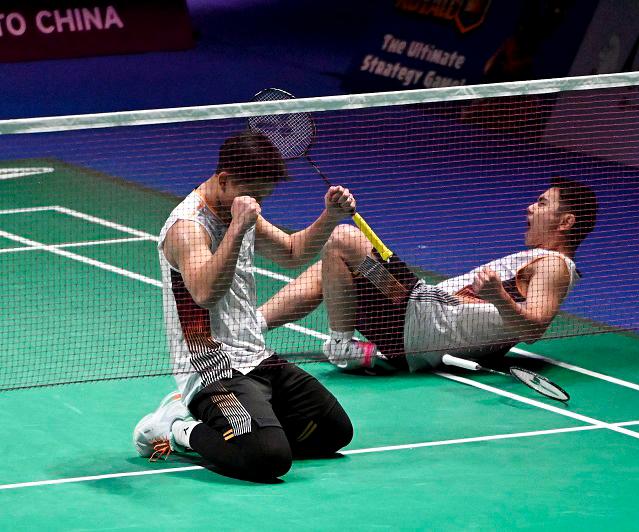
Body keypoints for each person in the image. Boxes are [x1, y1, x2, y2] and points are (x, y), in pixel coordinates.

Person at [133, 131, 357, 482]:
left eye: (263, 196)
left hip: (257, 358)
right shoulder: (187, 229)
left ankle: (252, 427)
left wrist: (329, 216)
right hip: (212, 369)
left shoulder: (238, 206)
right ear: (223, 180)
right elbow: (205, 293)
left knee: (332, 431)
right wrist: (238, 228)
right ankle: (178, 428)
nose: (257, 204)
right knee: (267, 458)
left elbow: (292, 252)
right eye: (252, 193)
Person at [267, 176, 597, 373]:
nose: (530, 207)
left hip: (421, 318)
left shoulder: (553, 265)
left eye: (542, 204)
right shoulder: (538, 260)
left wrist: (498, 297)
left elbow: (534, 329)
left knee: (343, 238)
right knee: (334, 263)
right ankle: (250, 325)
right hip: (415, 316)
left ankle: (340, 344)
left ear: (565, 222)